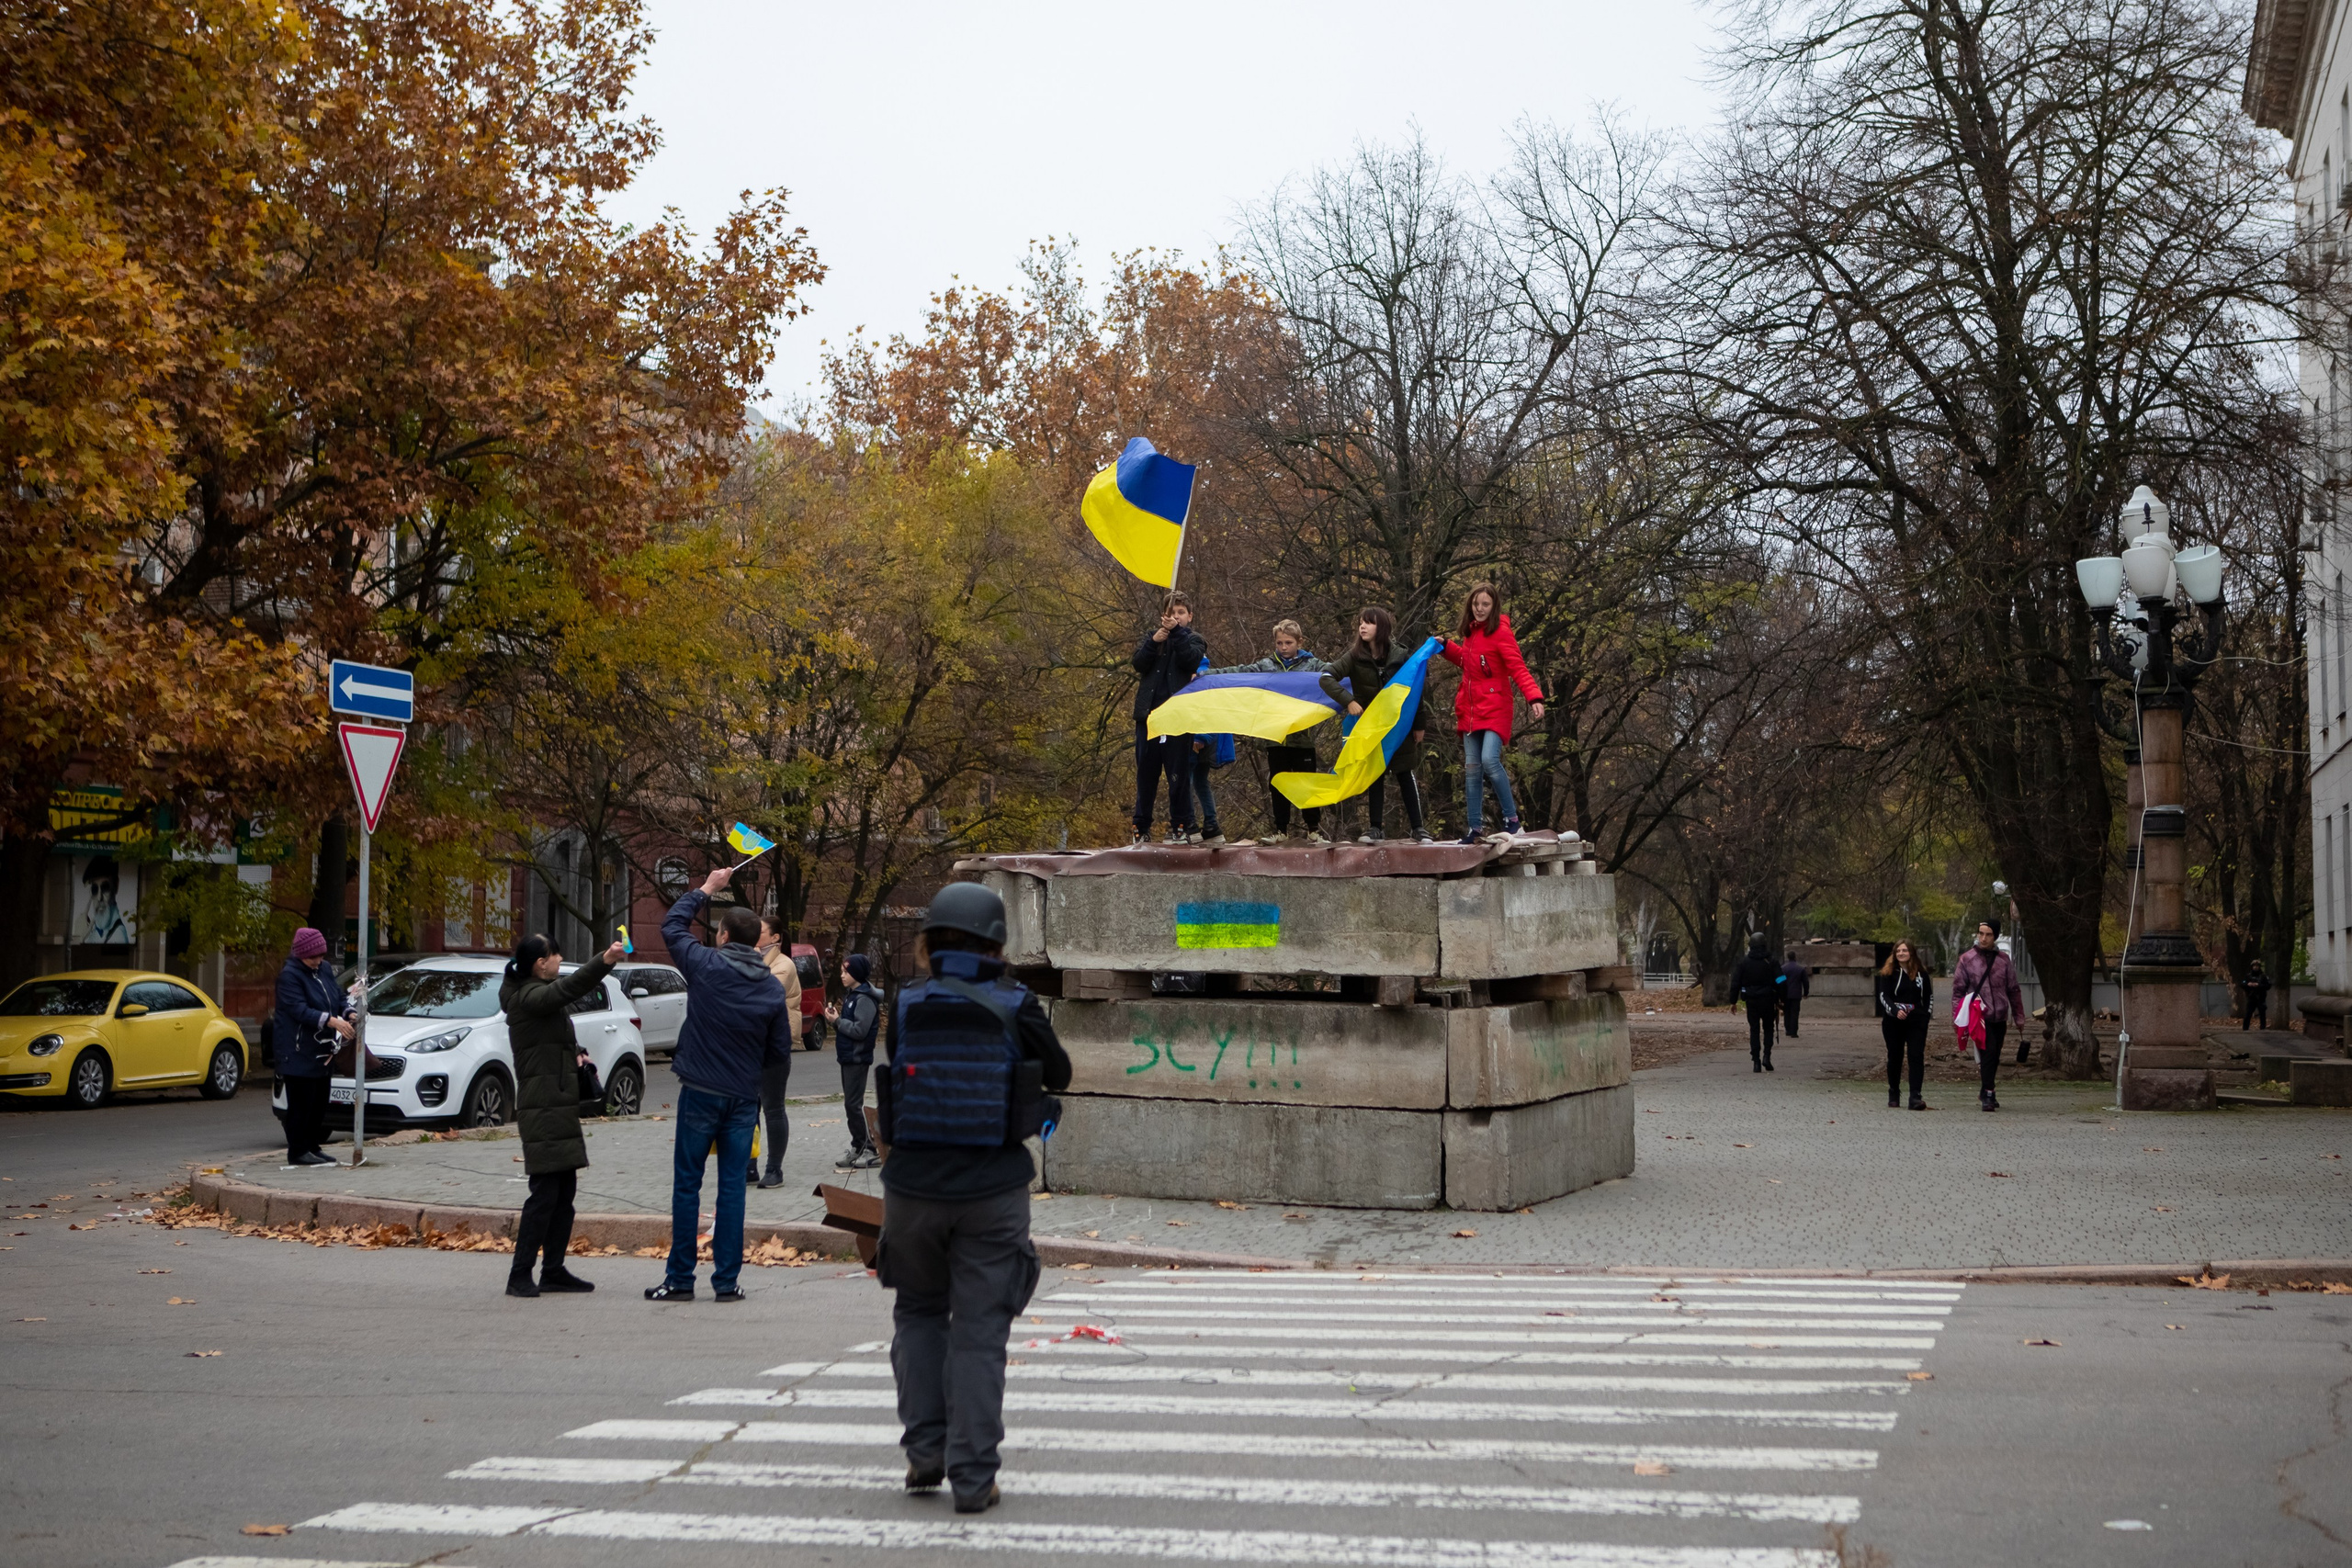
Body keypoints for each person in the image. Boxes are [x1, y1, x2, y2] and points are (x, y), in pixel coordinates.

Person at [876, 881, 1072, 1516]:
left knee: (919, 1314)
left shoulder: (905, 1002)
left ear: (931, 941)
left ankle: (924, 1452)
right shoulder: (1017, 1002)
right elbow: (1060, 1072)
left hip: (911, 1190)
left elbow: (897, 1066)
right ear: (997, 942)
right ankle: (972, 1477)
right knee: (981, 1333)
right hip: (991, 1191)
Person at [650, 867, 799, 1303]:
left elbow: (671, 925)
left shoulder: (705, 965)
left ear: (722, 935)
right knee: (732, 1187)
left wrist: (706, 888)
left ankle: (679, 1279)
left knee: (687, 1185)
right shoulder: (770, 990)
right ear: (756, 941)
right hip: (741, 1098)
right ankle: (727, 1281)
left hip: (699, 1090)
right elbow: (779, 1053)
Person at [499, 931, 625, 1298]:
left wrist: (576, 1051)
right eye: (555, 955)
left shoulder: (533, 994)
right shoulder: (528, 996)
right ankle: (520, 1274)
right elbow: (565, 992)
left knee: (563, 1192)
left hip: (556, 1101)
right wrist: (604, 961)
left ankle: (553, 1269)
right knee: (544, 1195)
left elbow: (551, 1034)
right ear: (540, 963)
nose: (559, 960)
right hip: (543, 1106)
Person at [1208, 618, 1334, 844]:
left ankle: (1314, 829)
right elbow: (1240, 672)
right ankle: (1280, 830)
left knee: (1307, 784)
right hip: (1275, 738)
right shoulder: (1267, 665)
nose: (1283, 647)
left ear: (1299, 642)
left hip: (1303, 739)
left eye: (1288, 643)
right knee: (1277, 783)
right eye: (1279, 643)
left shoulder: (1313, 665)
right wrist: (1208, 675)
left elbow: (1337, 673)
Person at [1439, 584, 1544, 841]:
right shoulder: (1471, 634)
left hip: (1496, 707)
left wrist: (1534, 697)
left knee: (1489, 760)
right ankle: (1474, 829)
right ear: (1470, 606)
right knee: (1472, 767)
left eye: (1485, 605)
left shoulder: (1501, 633)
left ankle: (1512, 821)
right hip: (1471, 709)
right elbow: (1469, 661)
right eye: (1476, 604)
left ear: (1494, 607)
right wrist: (1446, 647)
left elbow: (1517, 667)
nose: (1480, 609)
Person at [1319, 606, 1431, 843]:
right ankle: (1375, 828)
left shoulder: (1400, 656)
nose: (1362, 627)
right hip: (1370, 729)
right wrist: (1348, 701)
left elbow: (1415, 692)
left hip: (1399, 726)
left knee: (1404, 774)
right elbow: (1326, 677)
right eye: (1360, 622)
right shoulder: (1353, 657)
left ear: (1382, 628)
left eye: (1368, 623)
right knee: (1375, 776)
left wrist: (1419, 724)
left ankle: (1418, 828)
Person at [1130, 592, 1206, 844]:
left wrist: (1177, 634)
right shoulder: (1152, 637)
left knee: (1178, 775)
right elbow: (1138, 663)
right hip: (1149, 717)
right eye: (1172, 613)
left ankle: (1180, 826)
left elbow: (1191, 660)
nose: (1176, 617)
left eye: (1181, 613)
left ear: (1189, 616)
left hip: (1177, 717)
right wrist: (1154, 642)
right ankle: (1140, 827)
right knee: (1146, 774)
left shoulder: (1194, 639)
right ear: (1164, 615)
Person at [273, 926, 352, 1167]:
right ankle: (297, 1151)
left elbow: (337, 997)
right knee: (301, 1104)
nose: (318, 961)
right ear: (300, 955)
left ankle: (313, 1146)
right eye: (313, 957)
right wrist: (331, 1020)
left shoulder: (324, 969)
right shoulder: (290, 976)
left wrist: (348, 1012)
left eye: (321, 955)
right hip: (297, 1051)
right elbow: (298, 1009)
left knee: (319, 1102)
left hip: (322, 1049)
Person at [748, 915, 804, 1190]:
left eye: (760, 932)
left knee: (773, 1108)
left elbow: (760, 993)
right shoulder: (754, 960)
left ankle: (775, 1170)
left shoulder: (784, 965)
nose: (754, 935)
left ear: (775, 939)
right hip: (751, 1045)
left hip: (774, 1047)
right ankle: (749, 1165)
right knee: (748, 1108)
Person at [1951, 919, 2026, 1111]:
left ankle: (1985, 1089)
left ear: (1996, 936)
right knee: (1988, 1053)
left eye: (1988, 934)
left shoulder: (2003, 960)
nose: (1983, 938)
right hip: (1979, 1016)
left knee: (1995, 1054)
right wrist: (1956, 1018)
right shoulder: (1967, 959)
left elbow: (2013, 989)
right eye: (1981, 933)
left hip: (1999, 1014)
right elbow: (1958, 991)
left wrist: (2019, 1017)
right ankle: (1989, 1094)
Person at [827, 953, 884, 1168]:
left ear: (856, 974)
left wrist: (837, 1021)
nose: (841, 975)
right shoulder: (853, 996)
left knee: (853, 1104)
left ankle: (868, 1148)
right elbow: (848, 1026)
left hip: (857, 1058)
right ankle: (860, 1146)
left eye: (845, 971)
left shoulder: (864, 999)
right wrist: (835, 1021)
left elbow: (860, 1031)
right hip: (848, 1057)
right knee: (851, 1105)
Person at [1875, 940, 1932, 1110]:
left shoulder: (1922, 975)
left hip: (1916, 1021)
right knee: (1895, 1056)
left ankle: (1915, 1096)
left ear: (1911, 953)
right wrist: (1894, 1010)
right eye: (1898, 950)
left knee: (1916, 1056)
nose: (1901, 953)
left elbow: (1929, 997)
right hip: (1894, 1021)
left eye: (1905, 950)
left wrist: (1925, 1016)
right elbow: (1883, 996)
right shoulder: (1888, 973)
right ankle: (1894, 1091)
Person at [1730, 933, 1784, 1072]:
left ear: (1751, 946)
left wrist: (1733, 1001)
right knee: (1768, 1029)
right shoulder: (1772, 961)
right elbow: (1781, 980)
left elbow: (1735, 982)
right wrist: (1782, 998)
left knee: (1754, 1030)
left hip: (1751, 1000)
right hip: (1768, 1000)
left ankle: (1756, 1061)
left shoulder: (1744, 962)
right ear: (1764, 944)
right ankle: (1767, 1056)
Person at [1781, 948, 1812, 1039]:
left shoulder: (1783, 968)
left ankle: (1788, 1030)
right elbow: (1805, 982)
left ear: (1788, 957)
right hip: (1796, 994)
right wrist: (1806, 993)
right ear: (1795, 957)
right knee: (1795, 1013)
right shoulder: (1800, 969)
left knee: (1787, 1012)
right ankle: (1794, 1032)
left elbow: (1780, 982)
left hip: (1786, 994)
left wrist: (1779, 994)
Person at [2241, 961, 2270, 1032]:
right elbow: (2242, 983)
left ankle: (2263, 1028)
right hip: (2251, 997)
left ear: (2259, 967)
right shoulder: (2248, 976)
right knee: (2248, 1013)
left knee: (2262, 1014)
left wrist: (2259, 985)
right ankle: (2245, 1028)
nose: (2255, 967)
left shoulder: (2263, 976)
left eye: (2257, 966)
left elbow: (2268, 986)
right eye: (2254, 966)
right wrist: (2248, 984)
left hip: (2261, 997)